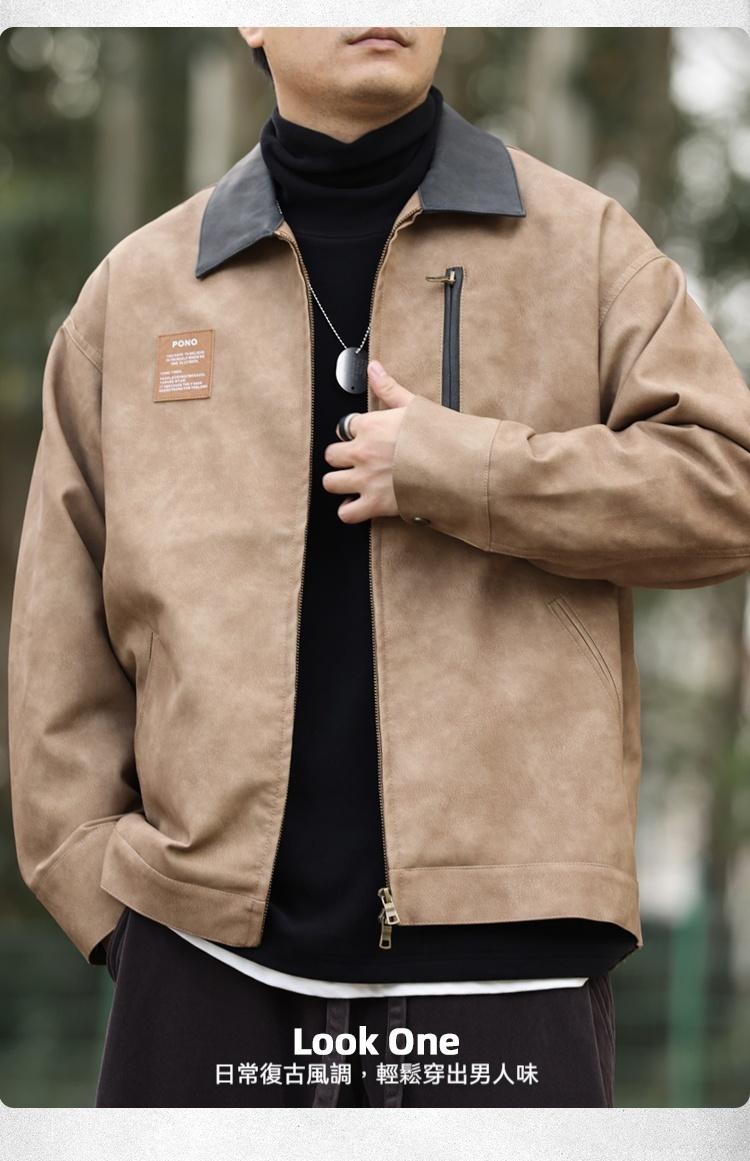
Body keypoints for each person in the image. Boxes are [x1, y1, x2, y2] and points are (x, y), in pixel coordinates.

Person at [7, 26, 750, 1109]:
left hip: (511, 968)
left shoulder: (586, 247)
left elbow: (728, 484)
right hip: (201, 967)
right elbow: (57, 640)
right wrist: (112, 906)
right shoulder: (136, 294)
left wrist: (466, 469)